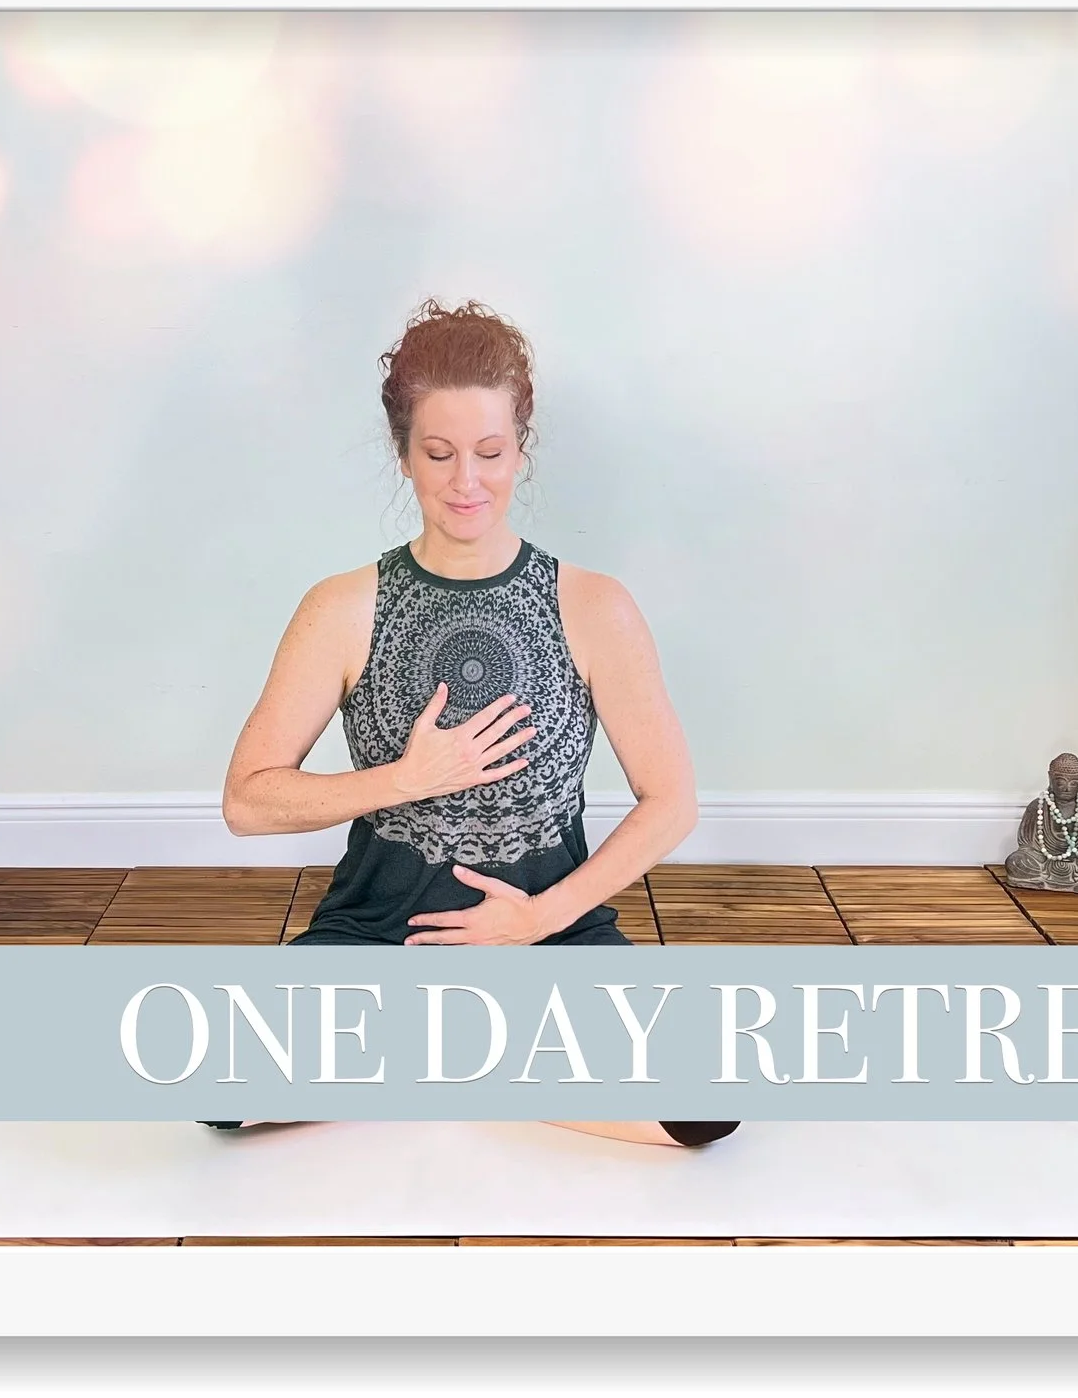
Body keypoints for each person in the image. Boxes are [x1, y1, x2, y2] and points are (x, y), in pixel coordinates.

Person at [214, 297, 735, 1150]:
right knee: (215, 1077)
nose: (467, 481)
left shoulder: (596, 607)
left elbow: (670, 802)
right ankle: (481, 1055)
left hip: (550, 942)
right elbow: (247, 801)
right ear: (405, 456)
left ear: (521, 452)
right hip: (381, 943)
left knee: (710, 1096)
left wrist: (539, 918)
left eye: (490, 453)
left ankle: (442, 1061)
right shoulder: (342, 609)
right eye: (440, 453)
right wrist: (404, 779)